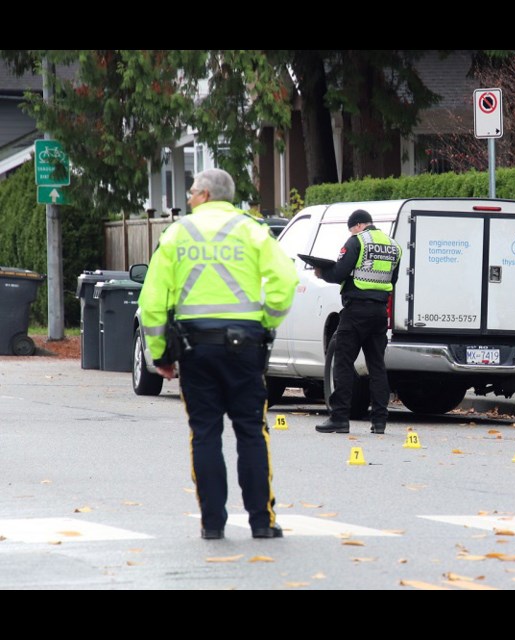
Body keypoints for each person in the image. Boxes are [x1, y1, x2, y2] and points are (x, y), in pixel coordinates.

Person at [138, 168, 298, 541]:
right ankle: (261, 521)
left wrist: (160, 353)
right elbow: (285, 280)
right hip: (246, 347)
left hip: (195, 349)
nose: (189, 198)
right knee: (251, 433)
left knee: (205, 433)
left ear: (206, 195)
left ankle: (212, 524)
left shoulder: (177, 233)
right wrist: (266, 323)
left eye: (192, 191)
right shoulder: (252, 230)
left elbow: (152, 302)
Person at [314, 209, 402, 435]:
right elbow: (393, 279)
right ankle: (380, 421)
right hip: (380, 312)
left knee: (342, 362)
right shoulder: (394, 246)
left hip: (356, 312)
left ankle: (340, 418)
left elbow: (340, 273)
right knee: (377, 366)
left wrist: (322, 272)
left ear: (358, 225)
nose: (351, 232)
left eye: (351, 229)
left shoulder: (357, 241)